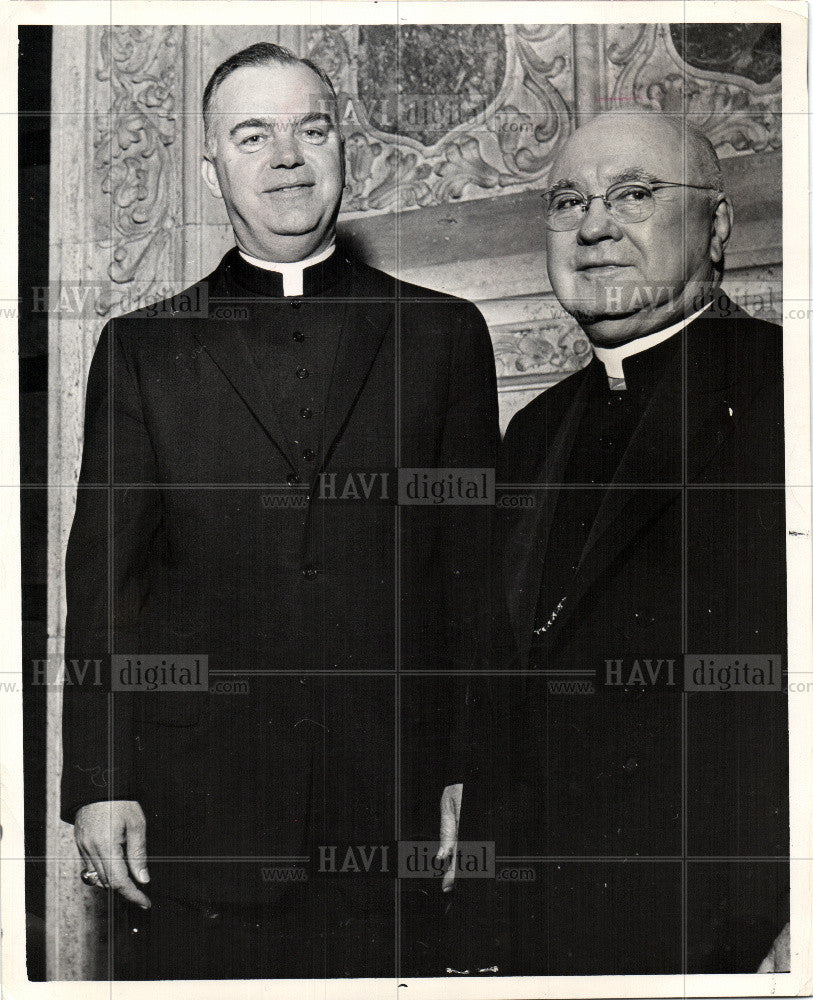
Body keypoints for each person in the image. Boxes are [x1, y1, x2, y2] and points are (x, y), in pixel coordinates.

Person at [60, 42, 499, 979]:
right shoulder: (142, 347)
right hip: (193, 816)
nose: (287, 158)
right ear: (212, 163)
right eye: (252, 136)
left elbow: (473, 581)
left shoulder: (443, 336)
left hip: (390, 806)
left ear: (346, 147)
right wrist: (101, 784)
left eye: (311, 129)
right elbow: (105, 579)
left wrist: (475, 775)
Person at [446, 111, 789, 974]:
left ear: (715, 227)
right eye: (568, 201)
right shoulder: (531, 430)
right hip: (539, 930)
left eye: (633, 195)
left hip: (729, 926)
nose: (594, 225)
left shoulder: (791, 391)